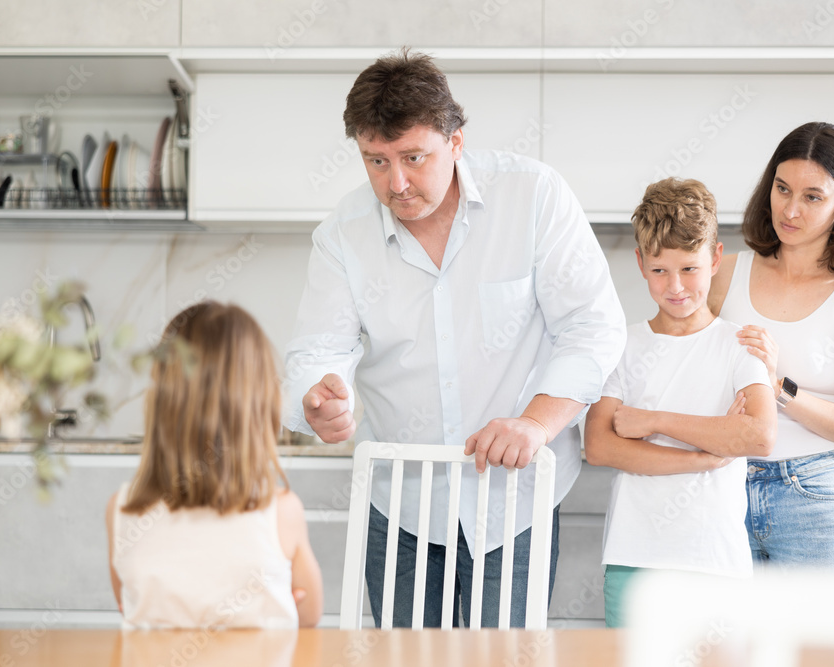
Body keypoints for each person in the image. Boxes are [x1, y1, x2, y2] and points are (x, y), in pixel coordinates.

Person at [283, 47, 626, 628]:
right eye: (376, 161)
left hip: (514, 504)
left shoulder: (535, 196)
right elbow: (317, 353)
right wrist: (319, 398)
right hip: (401, 509)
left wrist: (537, 423)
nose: (396, 183)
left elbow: (593, 327)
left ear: (456, 140)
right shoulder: (343, 234)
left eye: (414, 158)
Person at [584, 177, 777, 628]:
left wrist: (651, 421)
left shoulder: (740, 345)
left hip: (715, 563)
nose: (675, 287)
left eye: (689, 269)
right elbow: (600, 446)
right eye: (659, 270)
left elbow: (758, 435)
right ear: (640, 263)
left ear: (714, 258)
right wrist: (705, 457)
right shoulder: (621, 346)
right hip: (634, 561)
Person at [709, 121, 834, 568]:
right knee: (725, 637)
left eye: (813, 197)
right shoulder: (723, 274)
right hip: (722, 484)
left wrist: (776, 387)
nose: (790, 210)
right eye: (782, 188)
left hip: (814, 498)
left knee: (821, 639)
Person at [106, 302, 323, 628]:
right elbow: (309, 616)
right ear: (260, 405)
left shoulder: (122, 510)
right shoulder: (281, 511)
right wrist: (275, 601)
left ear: (162, 402)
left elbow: (130, 604)